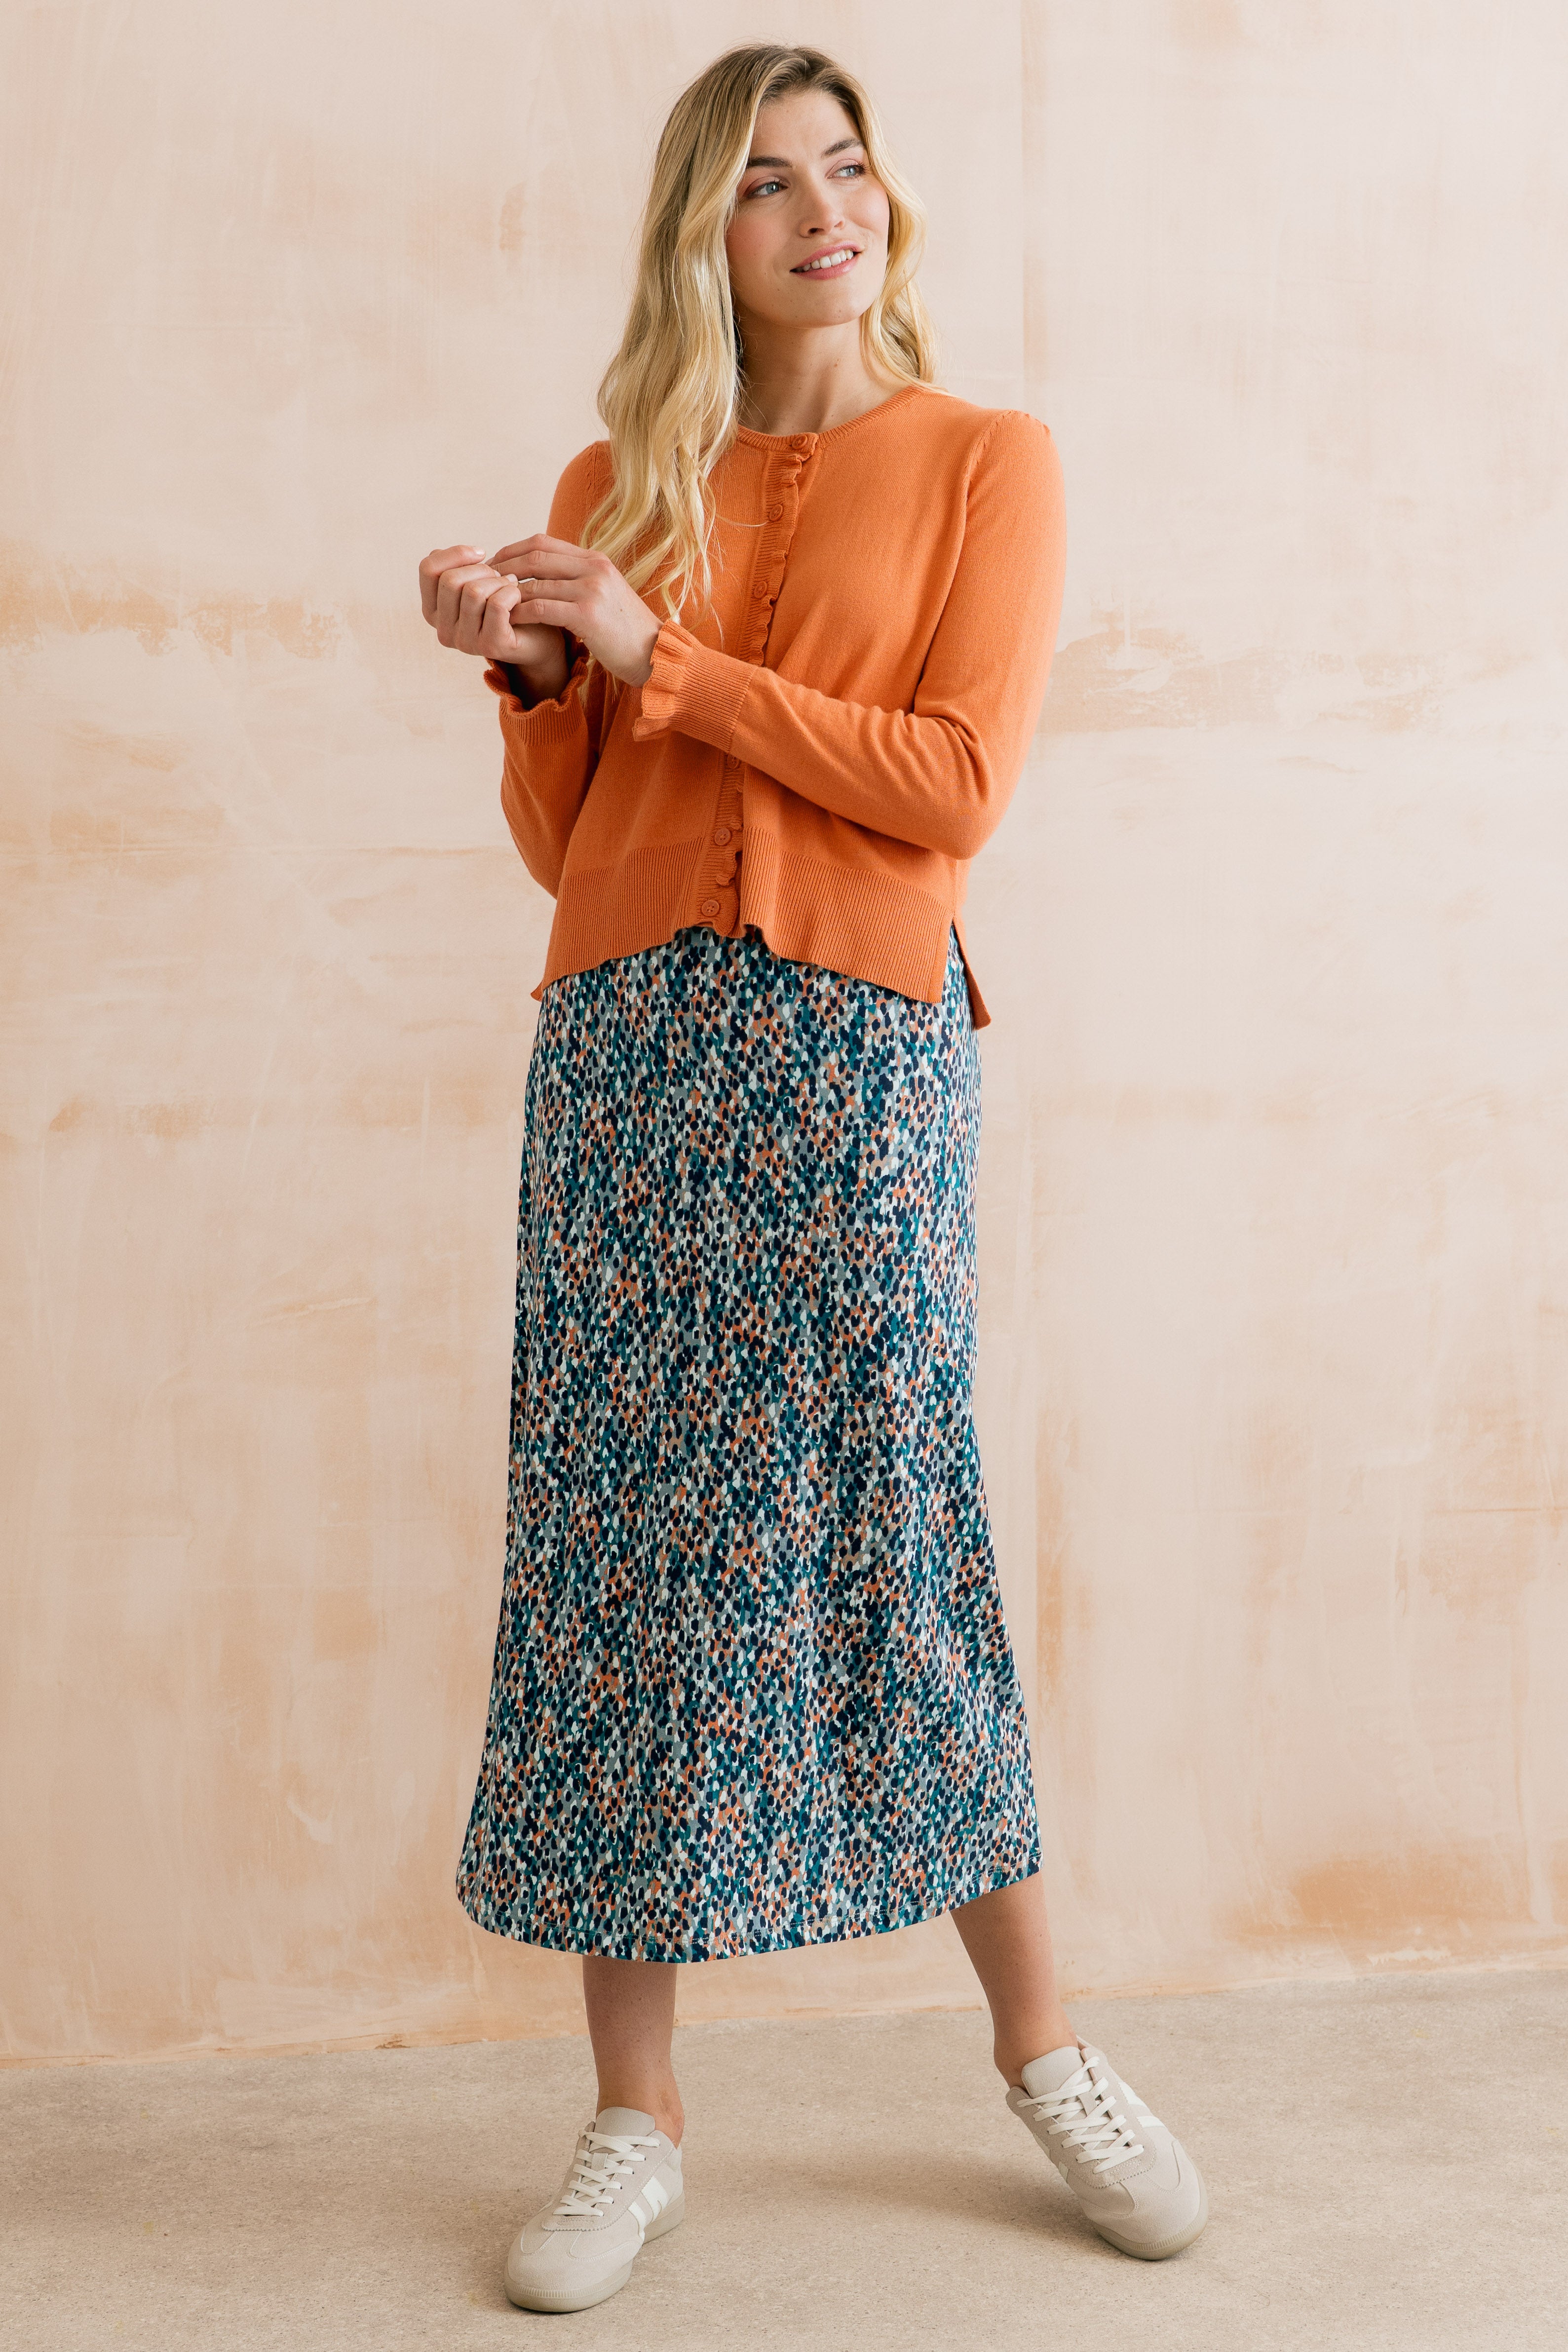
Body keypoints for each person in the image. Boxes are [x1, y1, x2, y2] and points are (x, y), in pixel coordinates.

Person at [418, 41, 1206, 2315]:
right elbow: (576, 844)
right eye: (766, 183)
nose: (821, 209)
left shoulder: (984, 459)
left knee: (892, 1515)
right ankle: (634, 2114)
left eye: (844, 167)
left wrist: (667, 661)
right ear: (708, 235)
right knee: (620, 1539)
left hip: (856, 1054)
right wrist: (537, 675)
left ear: (888, 201)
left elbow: (952, 787)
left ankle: (1046, 2051)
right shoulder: (613, 480)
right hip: (624, 1054)